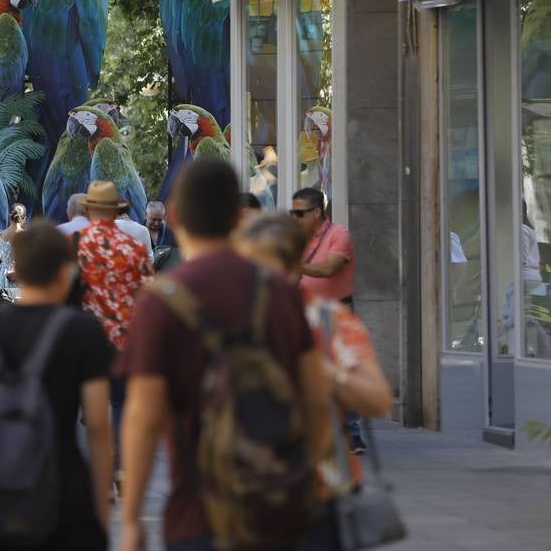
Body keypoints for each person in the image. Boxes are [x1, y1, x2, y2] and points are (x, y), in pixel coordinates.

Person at [118, 160, 331, 551]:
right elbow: (317, 402)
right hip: (279, 512)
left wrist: (131, 519)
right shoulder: (280, 292)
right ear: (238, 217)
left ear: (176, 216)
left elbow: (143, 418)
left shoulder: (160, 303)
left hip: (198, 515)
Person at [0, 222, 113, 550]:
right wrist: (101, 506)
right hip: (60, 494)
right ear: (64, 273)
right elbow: (97, 424)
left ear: (18, 271)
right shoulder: (82, 331)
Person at [235, 213, 392, 500]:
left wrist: (326, 373)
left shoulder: (329, 320)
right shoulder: (228, 322)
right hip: (244, 491)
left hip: (320, 487)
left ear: (296, 266)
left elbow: (378, 400)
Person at [75, 181, 152, 472]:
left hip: (88, 338)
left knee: (92, 404)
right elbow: (148, 290)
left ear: (89, 211)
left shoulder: (77, 244)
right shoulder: (133, 247)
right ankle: (120, 464)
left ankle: (100, 467)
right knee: (121, 400)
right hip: (124, 336)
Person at [293, 186, 363, 451]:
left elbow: (330, 268)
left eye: (300, 213)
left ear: (317, 212)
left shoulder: (339, 235)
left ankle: (352, 433)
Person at [0, 204, 28, 305]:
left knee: (3, 307)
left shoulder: (0, 235)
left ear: (9, 217)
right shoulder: (27, 236)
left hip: (3, 274)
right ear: (24, 218)